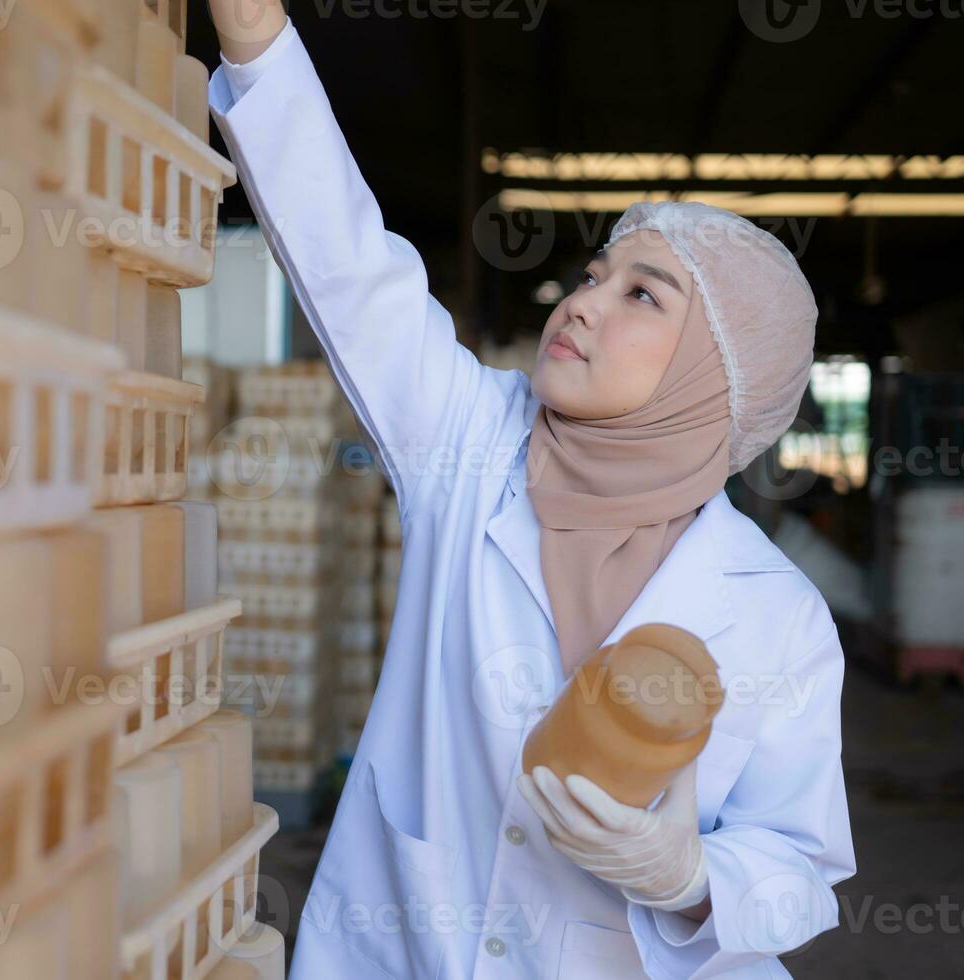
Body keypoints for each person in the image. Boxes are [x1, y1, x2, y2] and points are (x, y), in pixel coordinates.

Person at [201, 5, 856, 978]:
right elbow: (352, 272)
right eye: (594, 273)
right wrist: (258, 45)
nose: (581, 301)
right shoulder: (468, 442)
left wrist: (689, 875)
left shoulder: (778, 616)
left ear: (717, 375)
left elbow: (800, 859)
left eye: (641, 294)